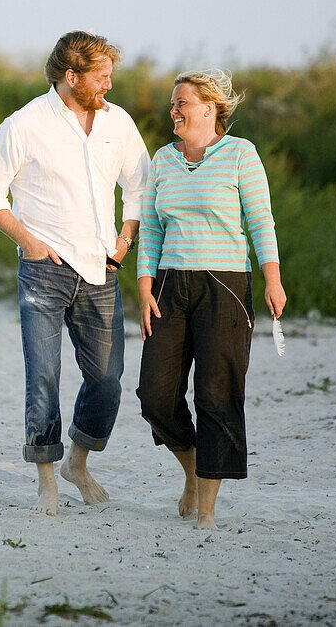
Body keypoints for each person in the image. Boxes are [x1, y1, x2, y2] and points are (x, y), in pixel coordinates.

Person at [0, 31, 150, 516]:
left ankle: (78, 462)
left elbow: (140, 187)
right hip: (44, 273)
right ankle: (46, 478)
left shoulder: (118, 123)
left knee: (108, 379)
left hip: (101, 270)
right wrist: (29, 243)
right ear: (71, 77)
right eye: (101, 77)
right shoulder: (25, 124)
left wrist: (126, 238)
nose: (109, 86)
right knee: (44, 377)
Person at [136, 69, 286, 530]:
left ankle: (207, 510)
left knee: (216, 394)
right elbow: (153, 227)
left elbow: (261, 220)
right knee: (155, 395)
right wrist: (144, 284)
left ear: (210, 107)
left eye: (182, 102)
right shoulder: (162, 159)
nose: (174, 110)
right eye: (173, 103)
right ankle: (193, 470)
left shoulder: (240, 154)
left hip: (225, 285)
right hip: (168, 285)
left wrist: (272, 278)